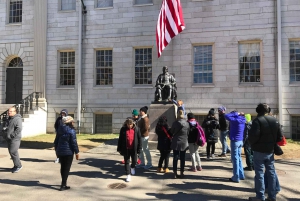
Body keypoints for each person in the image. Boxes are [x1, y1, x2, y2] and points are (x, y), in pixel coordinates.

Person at [248, 103, 283, 201]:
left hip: (259, 151)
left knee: (259, 174)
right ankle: (272, 196)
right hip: (270, 151)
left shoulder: (257, 121)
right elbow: (280, 137)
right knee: (271, 173)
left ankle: (260, 197)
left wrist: (252, 144)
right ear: (268, 110)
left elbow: (253, 137)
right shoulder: (275, 120)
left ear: (257, 110)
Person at [54, 116, 79, 191]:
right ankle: (63, 185)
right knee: (66, 168)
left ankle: (63, 183)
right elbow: (74, 143)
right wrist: (77, 152)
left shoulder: (59, 129)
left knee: (62, 167)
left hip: (60, 151)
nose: (73, 123)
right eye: (72, 121)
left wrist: (56, 151)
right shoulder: (71, 131)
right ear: (70, 122)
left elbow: (56, 142)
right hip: (68, 152)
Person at [117, 118, 142, 182]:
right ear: (126, 124)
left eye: (130, 124)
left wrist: (139, 149)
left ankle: (133, 167)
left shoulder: (137, 129)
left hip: (134, 149)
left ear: (133, 124)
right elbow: (120, 139)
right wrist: (119, 148)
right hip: (126, 148)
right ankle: (128, 174)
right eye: (128, 124)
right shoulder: (123, 129)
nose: (129, 126)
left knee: (134, 161)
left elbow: (139, 140)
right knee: (127, 162)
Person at [225, 110, 246, 183]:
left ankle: (236, 177)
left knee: (235, 159)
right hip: (240, 141)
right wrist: (238, 114)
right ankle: (241, 175)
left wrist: (236, 113)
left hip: (235, 141)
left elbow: (226, 116)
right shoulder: (243, 120)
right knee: (239, 158)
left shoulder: (235, 120)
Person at [2, 107, 23, 173]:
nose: (9, 112)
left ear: (15, 112)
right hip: (8, 139)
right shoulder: (9, 119)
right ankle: (15, 165)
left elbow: (19, 129)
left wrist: (12, 135)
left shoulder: (17, 119)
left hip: (15, 139)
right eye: (8, 111)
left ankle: (19, 166)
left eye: (11, 111)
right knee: (11, 152)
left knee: (13, 151)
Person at [170, 110, 189, 179]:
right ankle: (182, 172)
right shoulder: (187, 124)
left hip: (176, 141)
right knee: (182, 158)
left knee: (175, 157)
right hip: (184, 142)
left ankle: (175, 172)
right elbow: (188, 132)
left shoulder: (175, 123)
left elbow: (172, 132)